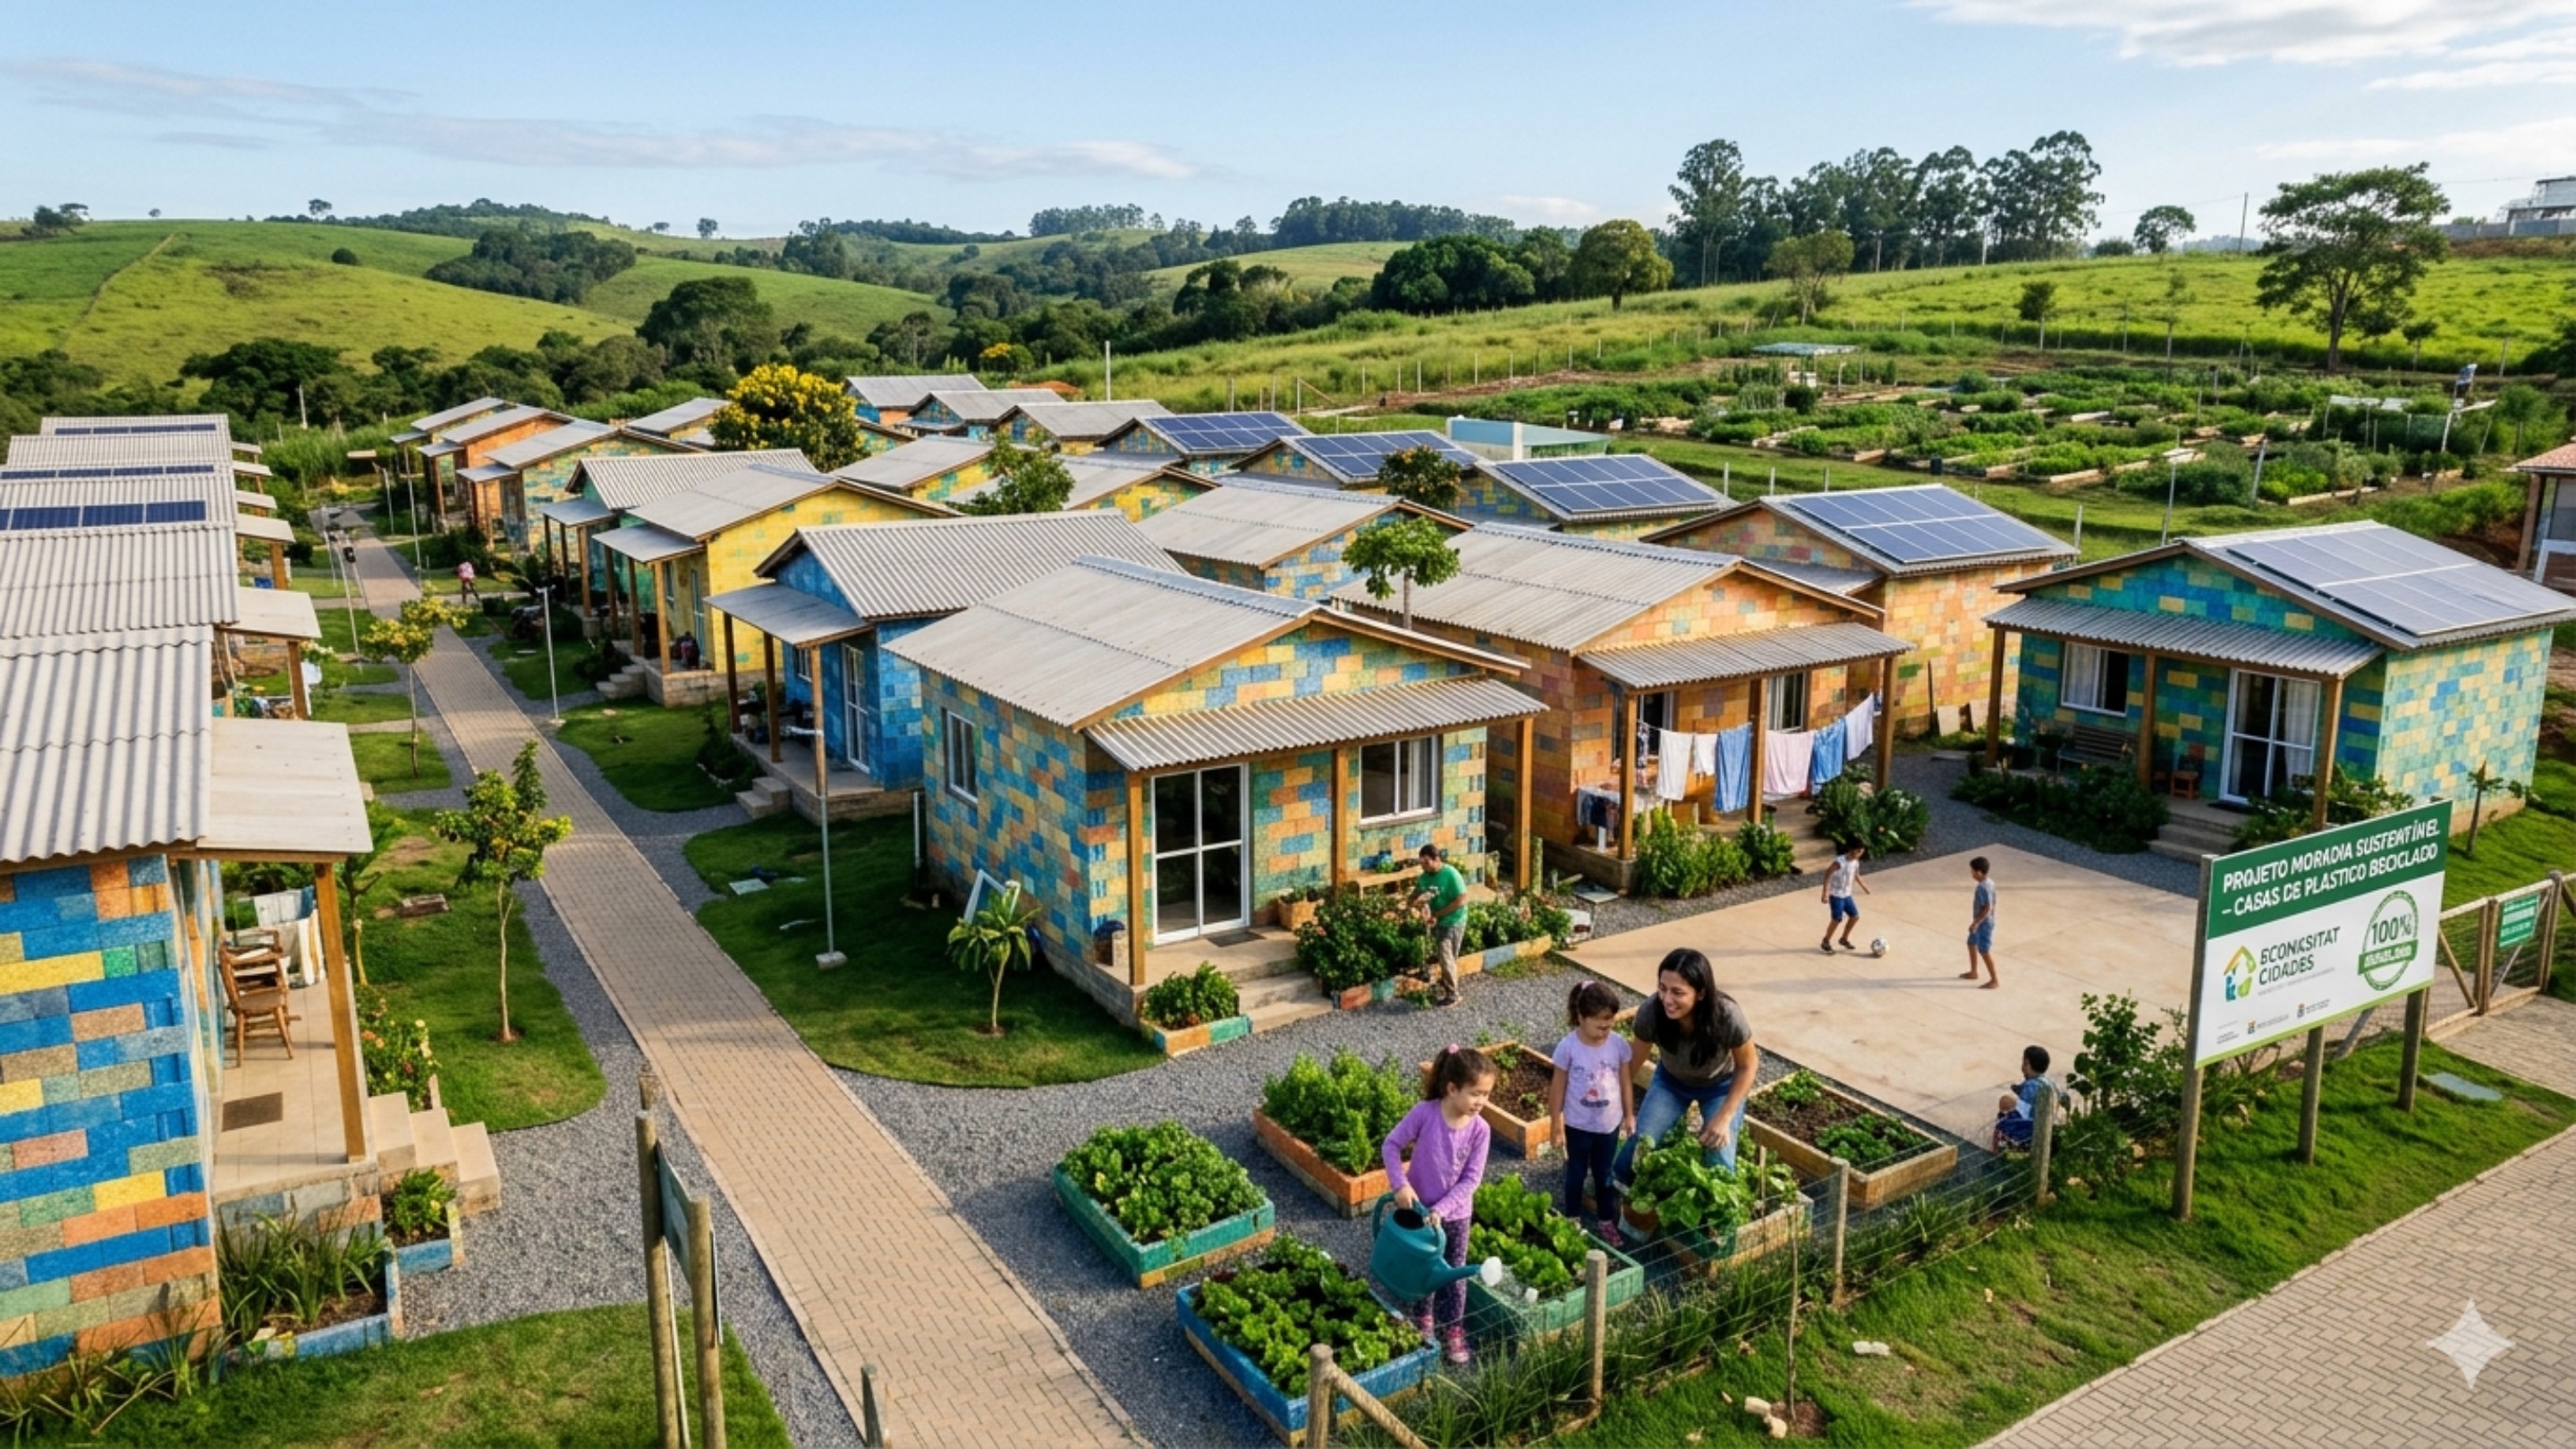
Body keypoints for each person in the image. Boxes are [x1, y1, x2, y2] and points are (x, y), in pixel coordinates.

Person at [1384, 1045, 1494, 1367]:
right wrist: (1400, 1185)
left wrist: (1442, 1211)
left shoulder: (1480, 1130)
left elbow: (1471, 1180)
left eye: (1486, 1095)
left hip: (1455, 1215)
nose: (1481, 1102)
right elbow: (1391, 1145)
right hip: (1417, 1210)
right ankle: (1423, 1319)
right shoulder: (1425, 1113)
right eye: (1476, 1094)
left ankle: (1453, 1328)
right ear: (1452, 1088)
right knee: (1422, 1267)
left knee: (1452, 1273)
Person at [1614, 949, 1758, 1190]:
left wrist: (1724, 1117)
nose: (1667, 999)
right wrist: (1613, 1105)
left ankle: (1720, 1224)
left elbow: (1748, 1065)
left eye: (1677, 992)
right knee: (1643, 1140)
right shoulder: (1651, 1011)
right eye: (1662, 988)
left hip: (1720, 1087)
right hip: (1671, 1082)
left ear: (1700, 993)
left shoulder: (1726, 1016)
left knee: (1718, 1157)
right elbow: (1634, 1061)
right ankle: (1617, 1181)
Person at [1548, 980, 1635, 1246]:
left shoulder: (1618, 1045)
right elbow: (1558, 1087)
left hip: (1608, 1125)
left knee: (1604, 1174)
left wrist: (1630, 1115)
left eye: (1610, 1024)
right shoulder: (1568, 1047)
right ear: (1581, 1017)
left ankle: (1605, 1220)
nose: (1605, 1030)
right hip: (1578, 1124)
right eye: (1600, 1025)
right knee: (1575, 1172)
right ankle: (1572, 1217)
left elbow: (1626, 1082)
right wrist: (1555, 1123)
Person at [1408, 843, 1470, 1006]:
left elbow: (1462, 899)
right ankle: (1449, 986)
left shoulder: (1450, 874)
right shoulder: (1424, 878)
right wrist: (1417, 905)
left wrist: (1438, 914)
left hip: (1454, 920)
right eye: (1421, 864)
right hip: (1437, 920)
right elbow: (1416, 896)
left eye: (1426, 863)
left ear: (1437, 859)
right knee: (1447, 956)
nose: (1424, 867)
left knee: (1447, 956)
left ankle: (1452, 994)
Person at [1994, 1044, 2056, 1150]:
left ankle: (1998, 1149)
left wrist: (2003, 1122)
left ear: (2027, 1063)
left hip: (2029, 1130)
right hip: (2047, 1126)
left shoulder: (2030, 1086)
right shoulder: (2049, 1083)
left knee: (2005, 1101)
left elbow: (2021, 1113)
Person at [1818, 843, 1870, 954]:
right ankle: (1826, 941)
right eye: (1860, 851)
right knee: (1837, 919)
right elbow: (1827, 875)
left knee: (1854, 916)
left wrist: (1864, 886)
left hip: (1847, 894)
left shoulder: (1855, 862)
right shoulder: (1839, 862)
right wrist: (1825, 893)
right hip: (1836, 895)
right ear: (1854, 850)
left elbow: (1856, 875)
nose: (1861, 854)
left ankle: (1844, 939)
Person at [1960, 856, 1999, 988]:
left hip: (1984, 923)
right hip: (1981, 921)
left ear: (1979, 872)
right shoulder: (1990, 882)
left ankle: (1994, 980)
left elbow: (1987, 907)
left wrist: (1976, 923)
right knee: (1971, 943)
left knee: (1984, 950)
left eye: (1972, 871)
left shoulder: (1983, 888)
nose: (1971, 874)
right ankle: (1973, 972)